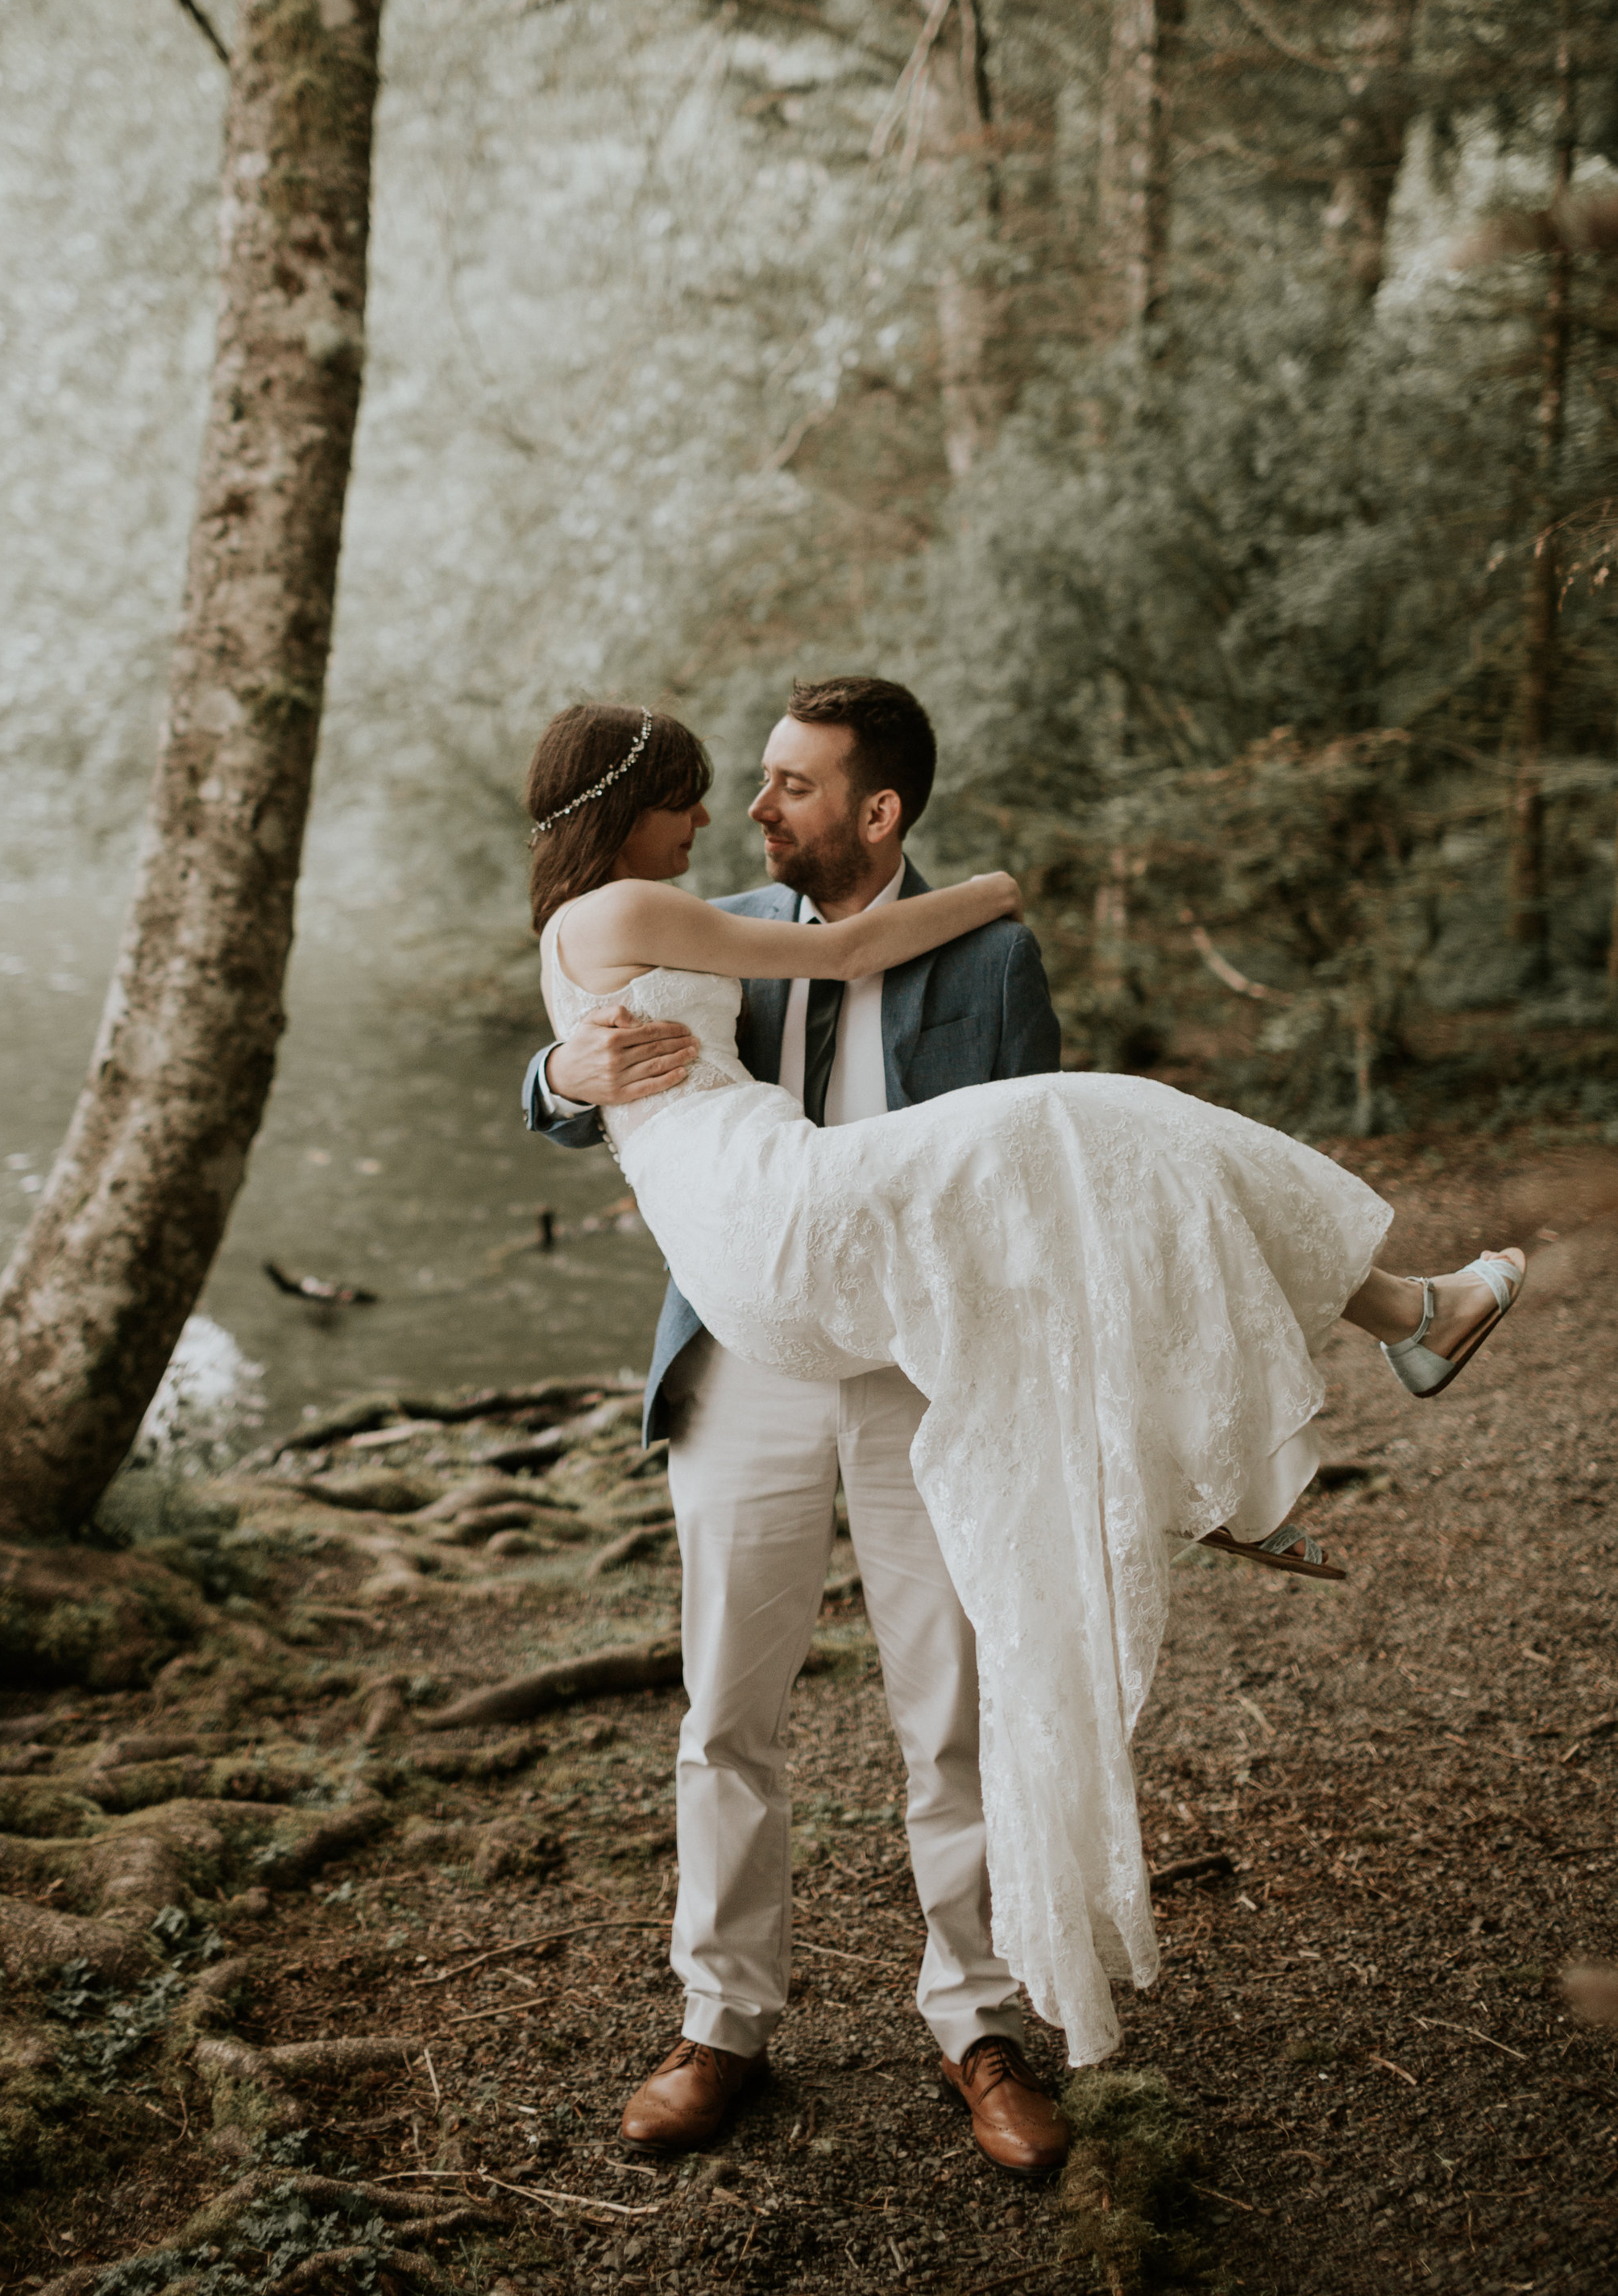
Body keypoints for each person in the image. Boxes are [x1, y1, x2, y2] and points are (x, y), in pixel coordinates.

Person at [522, 689, 1523, 2117]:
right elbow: (572, 1060)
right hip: (751, 1345)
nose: (756, 811)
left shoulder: (990, 961)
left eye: (791, 787)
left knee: (956, 1702)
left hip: (923, 1360)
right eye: (748, 785)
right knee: (726, 1709)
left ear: (878, 811)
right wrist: (562, 1068)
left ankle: (977, 2019)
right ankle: (720, 2022)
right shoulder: (697, 909)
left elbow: (1065, 1231)